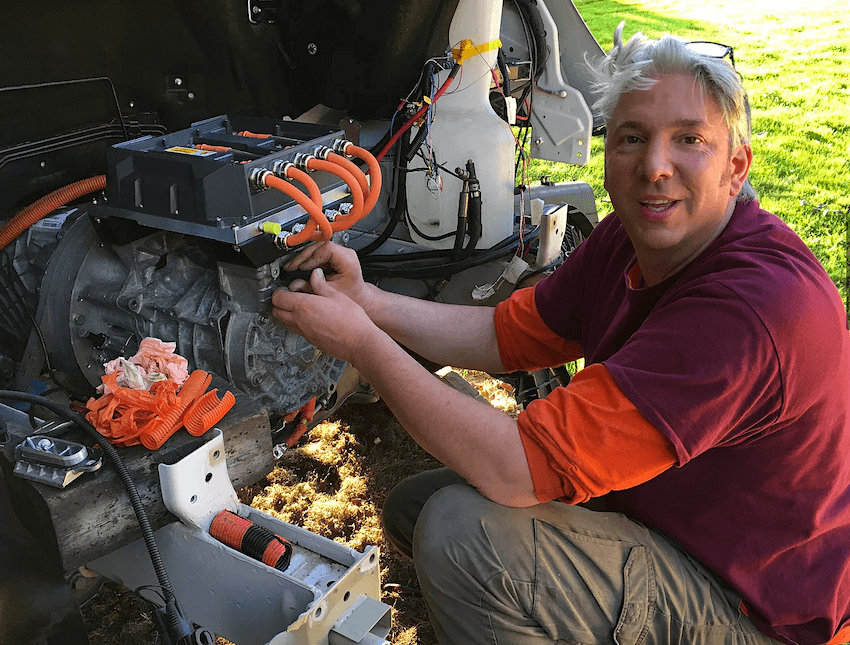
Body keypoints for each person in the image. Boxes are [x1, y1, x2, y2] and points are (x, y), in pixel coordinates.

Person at [271, 25, 850, 645]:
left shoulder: (750, 309)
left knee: (466, 538)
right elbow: (505, 336)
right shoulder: (629, 240)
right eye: (632, 138)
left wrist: (362, 342)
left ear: (736, 167)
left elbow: (516, 469)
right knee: (419, 507)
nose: (655, 166)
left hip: (759, 612)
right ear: (608, 154)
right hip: (675, 525)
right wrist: (368, 301)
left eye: (689, 140)